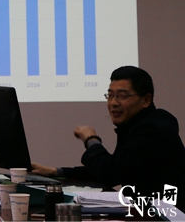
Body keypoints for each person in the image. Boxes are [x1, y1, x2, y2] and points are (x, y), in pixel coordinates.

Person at [32, 66, 185, 211]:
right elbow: (116, 167)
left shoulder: (152, 129)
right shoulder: (140, 124)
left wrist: (91, 139)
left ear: (146, 100)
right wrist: (56, 172)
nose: (113, 103)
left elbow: (109, 173)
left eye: (122, 96)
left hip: (164, 215)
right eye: (110, 95)